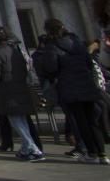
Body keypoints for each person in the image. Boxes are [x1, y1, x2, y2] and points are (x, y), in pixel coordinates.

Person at [34, 19, 108, 164]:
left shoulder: (52, 46)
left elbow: (51, 68)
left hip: (69, 87)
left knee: (81, 121)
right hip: (87, 85)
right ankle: (102, 154)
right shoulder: (77, 43)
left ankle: (91, 154)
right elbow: (88, 62)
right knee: (92, 121)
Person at [0, 26, 45, 162]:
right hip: (20, 86)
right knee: (21, 119)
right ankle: (25, 149)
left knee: (16, 120)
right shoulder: (14, 51)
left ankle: (33, 149)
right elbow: (25, 68)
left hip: (7, 90)